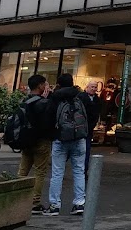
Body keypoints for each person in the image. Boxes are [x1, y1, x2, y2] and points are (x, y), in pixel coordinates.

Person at [45, 74, 92, 216]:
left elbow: (48, 117)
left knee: (57, 172)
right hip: (79, 138)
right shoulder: (81, 97)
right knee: (79, 171)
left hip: (60, 139)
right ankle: (79, 203)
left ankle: (54, 205)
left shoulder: (55, 98)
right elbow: (90, 115)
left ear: (59, 84)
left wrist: (52, 135)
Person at [16, 75, 53, 214]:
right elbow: (48, 122)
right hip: (41, 140)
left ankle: (17, 196)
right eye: (44, 84)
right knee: (40, 171)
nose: (46, 86)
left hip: (26, 140)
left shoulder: (24, 101)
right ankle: (34, 202)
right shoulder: (44, 103)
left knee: (23, 169)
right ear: (40, 86)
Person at [82, 80, 102, 177]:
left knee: (86, 150)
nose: (94, 89)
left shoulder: (97, 100)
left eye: (95, 87)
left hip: (89, 129)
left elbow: (97, 113)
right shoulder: (81, 97)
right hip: (80, 128)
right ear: (87, 87)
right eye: (92, 87)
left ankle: (84, 171)